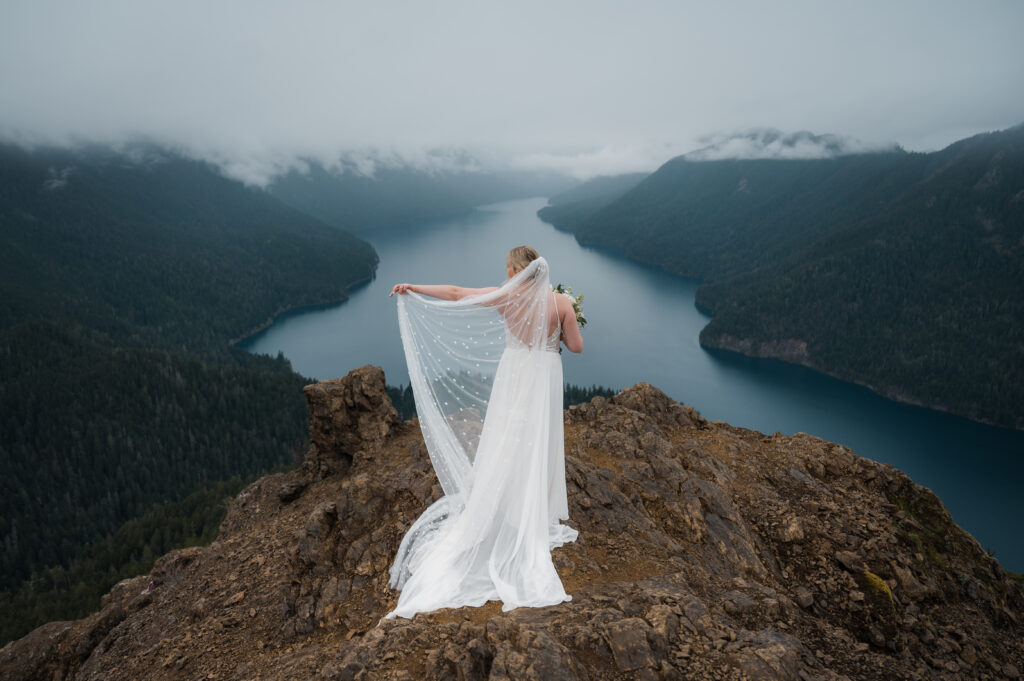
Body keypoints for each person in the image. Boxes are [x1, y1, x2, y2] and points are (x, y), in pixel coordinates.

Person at [383, 245, 582, 620]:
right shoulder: (562, 303)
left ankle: (501, 504)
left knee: (508, 438)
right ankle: (529, 509)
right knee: (537, 441)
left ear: (513, 272)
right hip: (544, 377)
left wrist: (413, 287)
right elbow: (577, 346)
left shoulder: (504, 298)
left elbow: (457, 293)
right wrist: (567, 324)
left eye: (507, 269)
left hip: (514, 373)